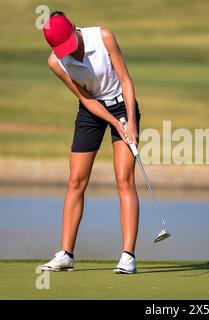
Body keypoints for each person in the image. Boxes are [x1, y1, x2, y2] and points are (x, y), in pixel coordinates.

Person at [40, 11, 140, 274]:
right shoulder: (56, 63)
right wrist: (113, 122)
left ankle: (128, 257)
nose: (69, 54)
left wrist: (130, 121)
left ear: (75, 28)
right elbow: (86, 99)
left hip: (122, 103)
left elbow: (127, 81)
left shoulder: (103, 37)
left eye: (70, 45)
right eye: (63, 50)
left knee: (124, 178)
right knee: (76, 180)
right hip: (91, 109)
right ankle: (66, 254)